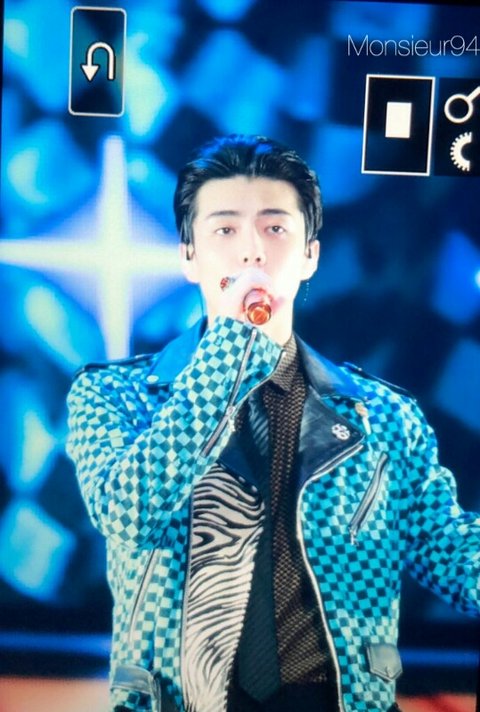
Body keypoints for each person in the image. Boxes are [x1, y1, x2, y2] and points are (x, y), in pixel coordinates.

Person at [66, 134, 480, 712]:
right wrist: (231, 349)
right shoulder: (114, 396)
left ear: (310, 255)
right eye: (225, 230)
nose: (252, 252)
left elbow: (451, 553)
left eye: (275, 228)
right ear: (189, 256)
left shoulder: (383, 416)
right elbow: (129, 513)